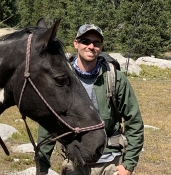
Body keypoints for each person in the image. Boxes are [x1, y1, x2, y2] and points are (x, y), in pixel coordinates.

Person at [38, 24, 144, 175]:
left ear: (101, 46)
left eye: (96, 42)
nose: (91, 46)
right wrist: (42, 166)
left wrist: (128, 165)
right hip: (74, 162)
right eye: (86, 41)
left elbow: (134, 122)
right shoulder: (61, 80)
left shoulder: (115, 79)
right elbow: (49, 124)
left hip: (110, 163)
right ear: (76, 43)